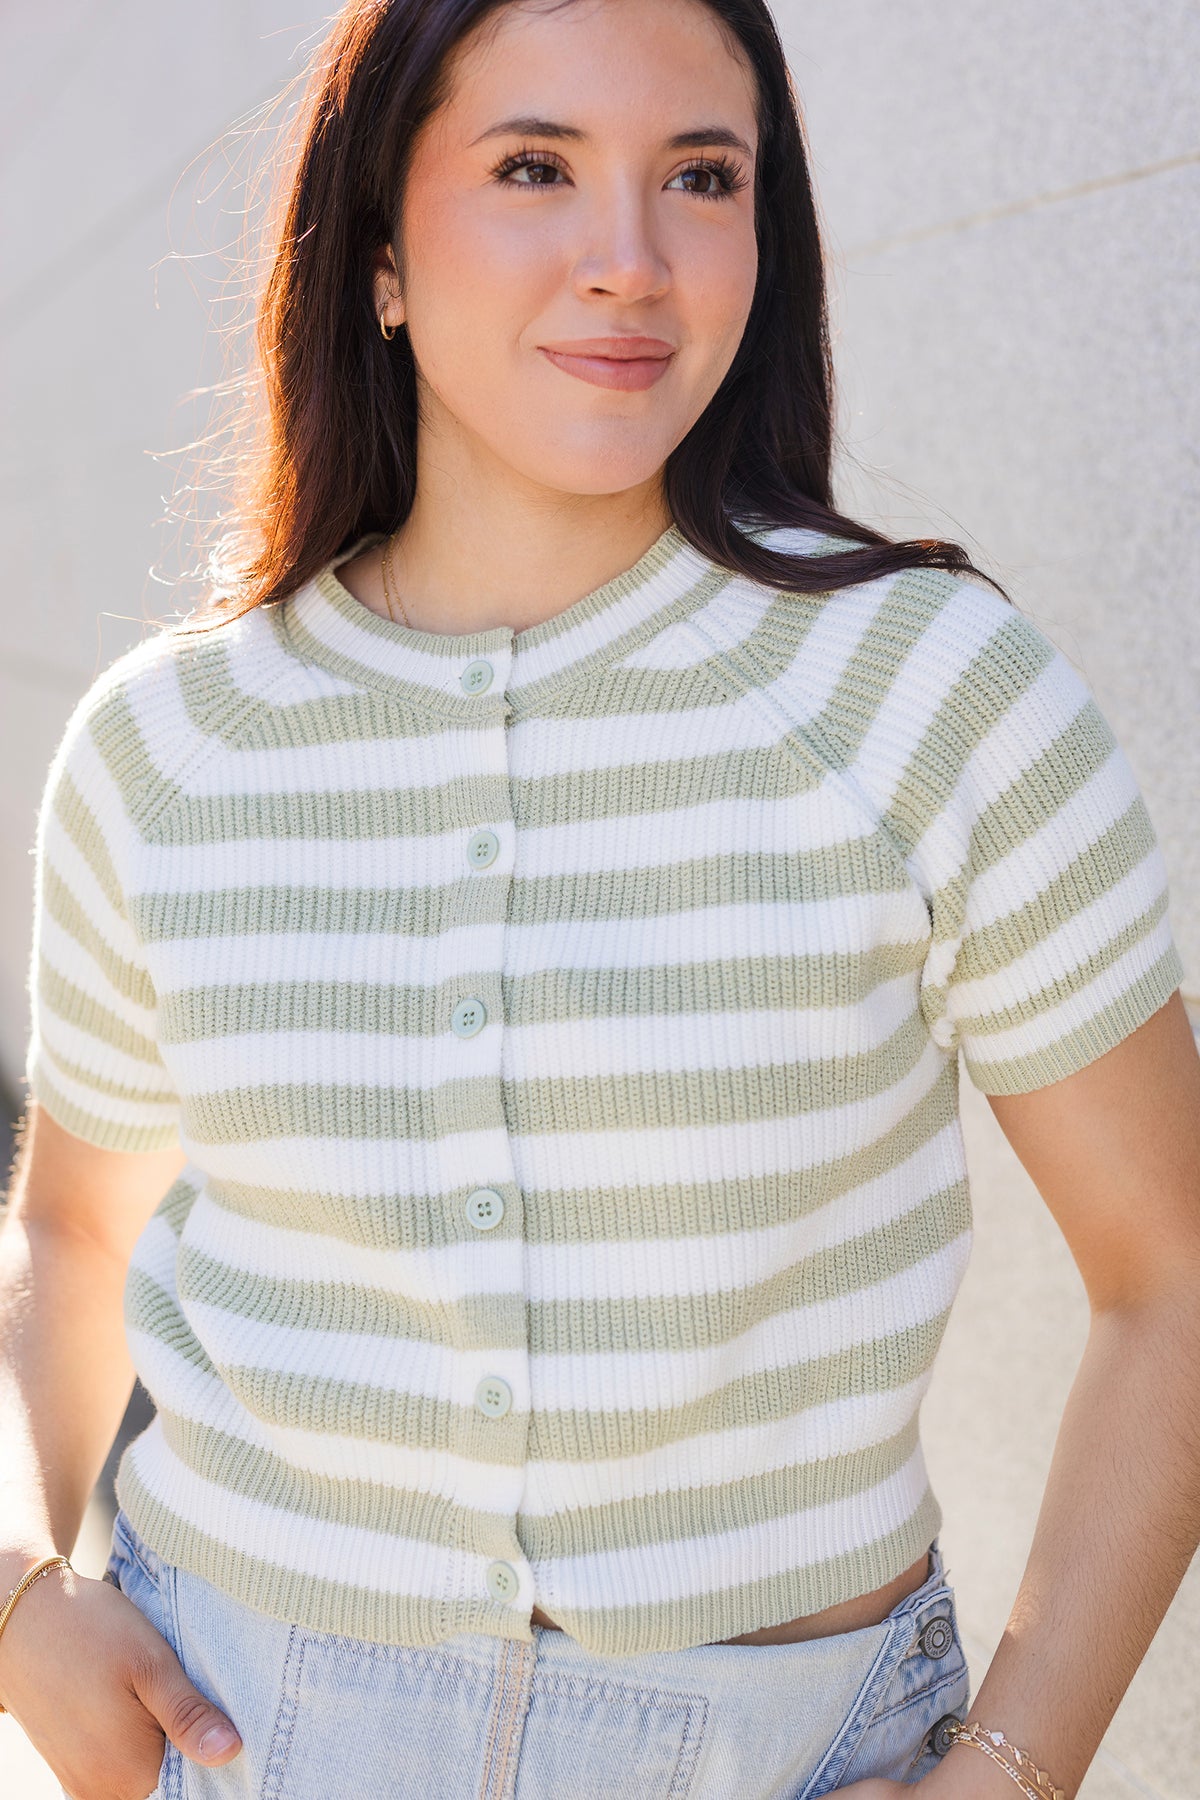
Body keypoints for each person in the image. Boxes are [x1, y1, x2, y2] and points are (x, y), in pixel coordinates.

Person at [2, 0, 1198, 1795]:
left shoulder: (929, 691)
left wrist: (1014, 1775)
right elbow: (75, 1233)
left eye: (701, 177)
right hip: (247, 1727)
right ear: (379, 252)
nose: (630, 259)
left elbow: (1173, 1275)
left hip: (785, 1749)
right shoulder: (169, 743)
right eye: (534, 168)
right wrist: (20, 1592)